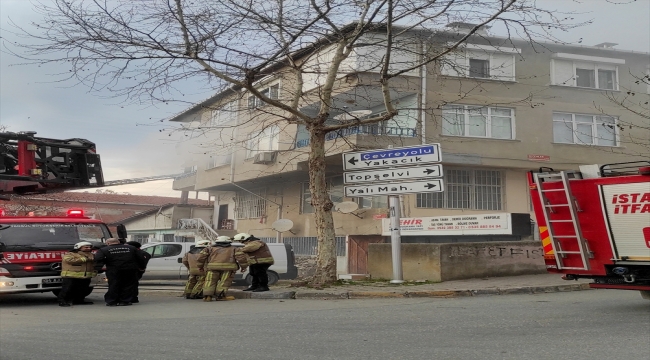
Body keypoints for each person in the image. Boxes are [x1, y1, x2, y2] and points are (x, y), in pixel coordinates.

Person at [94, 238, 147, 306]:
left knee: (113, 284)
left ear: (108, 243)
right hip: (130, 269)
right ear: (118, 242)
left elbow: (98, 259)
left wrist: (98, 269)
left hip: (113, 269)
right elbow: (140, 258)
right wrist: (142, 267)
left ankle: (112, 301)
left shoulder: (104, 249)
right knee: (128, 285)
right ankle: (125, 301)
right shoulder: (131, 248)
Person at [197, 236, 248, 302]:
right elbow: (241, 259)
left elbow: (200, 258)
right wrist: (244, 267)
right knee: (224, 282)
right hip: (228, 269)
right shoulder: (235, 249)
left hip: (212, 268)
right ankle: (220, 296)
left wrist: (200, 266)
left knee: (209, 281)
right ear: (229, 242)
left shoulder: (209, 249)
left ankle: (207, 296)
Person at [58, 241, 97, 307]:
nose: (88, 248)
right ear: (79, 247)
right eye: (86, 247)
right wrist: (84, 259)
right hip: (70, 275)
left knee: (82, 289)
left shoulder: (91, 254)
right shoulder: (70, 254)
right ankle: (62, 301)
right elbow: (68, 260)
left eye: (89, 247)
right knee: (67, 289)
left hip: (85, 276)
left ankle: (79, 301)